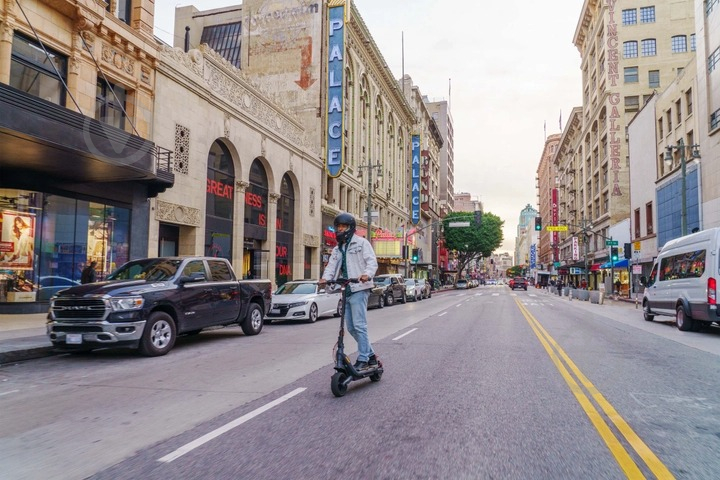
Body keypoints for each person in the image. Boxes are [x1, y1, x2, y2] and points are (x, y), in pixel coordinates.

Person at [319, 212, 378, 370]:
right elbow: (331, 266)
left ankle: (364, 358)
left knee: (359, 326)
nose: (340, 229)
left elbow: (371, 262)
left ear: (351, 228)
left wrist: (367, 274)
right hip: (346, 290)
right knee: (351, 328)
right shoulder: (338, 249)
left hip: (359, 288)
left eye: (343, 226)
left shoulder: (361, 243)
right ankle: (371, 355)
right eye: (338, 227)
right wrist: (325, 279)